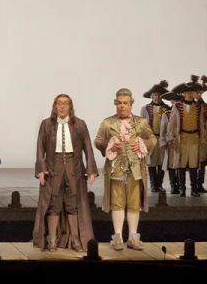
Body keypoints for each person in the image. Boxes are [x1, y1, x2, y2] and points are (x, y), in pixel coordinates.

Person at [32, 94, 99, 252]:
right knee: (53, 204)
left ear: (70, 106)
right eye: (59, 103)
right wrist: (40, 170)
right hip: (53, 167)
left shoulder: (80, 125)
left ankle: (75, 238)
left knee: (73, 204)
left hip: (73, 167)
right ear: (55, 106)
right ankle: (52, 238)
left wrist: (91, 170)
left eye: (65, 104)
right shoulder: (47, 124)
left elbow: (88, 148)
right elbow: (40, 148)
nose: (62, 107)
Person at [94, 88, 157, 251]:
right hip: (116, 170)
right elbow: (98, 140)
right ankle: (117, 237)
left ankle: (133, 237)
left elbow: (152, 138)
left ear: (131, 104)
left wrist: (144, 144)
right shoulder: (108, 122)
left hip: (135, 169)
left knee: (134, 205)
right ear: (116, 104)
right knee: (117, 204)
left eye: (125, 103)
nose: (122, 106)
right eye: (119, 103)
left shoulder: (141, 122)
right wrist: (108, 145)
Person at [166, 77, 207, 197]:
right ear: (183, 94)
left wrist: (203, 138)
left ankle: (194, 189)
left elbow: (201, 123)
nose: (190, 95)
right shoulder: (177, 106)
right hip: (182, 137)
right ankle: (182, 189)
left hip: (194, 137)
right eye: (187, 93)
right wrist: (170, 138)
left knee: (194, 164)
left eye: (191, 93)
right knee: (181, 164)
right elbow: (172, 123)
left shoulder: (198, 106)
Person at [140, 81, 171, 192]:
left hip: (162, 139)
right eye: (155, 95)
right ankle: (153, 184)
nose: (157, 97)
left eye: (159, 95)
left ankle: (159, 184)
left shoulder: (167, 108)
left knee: (162, 162)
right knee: (151, 162)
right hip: (151, 139)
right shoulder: (145, 109)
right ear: (151, 96)